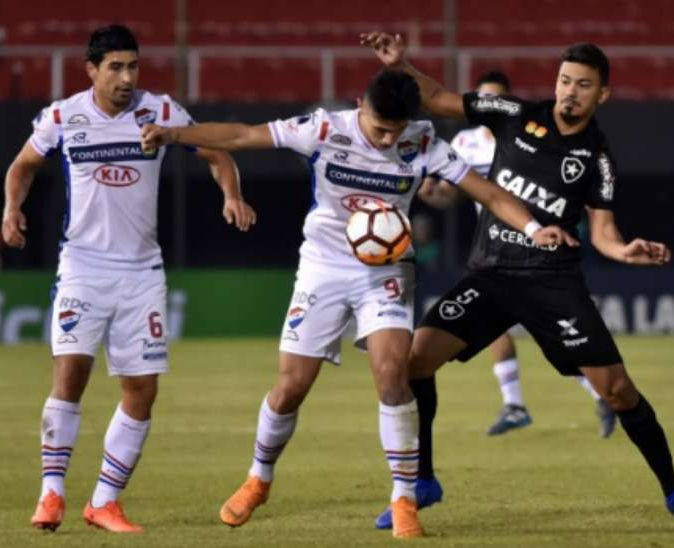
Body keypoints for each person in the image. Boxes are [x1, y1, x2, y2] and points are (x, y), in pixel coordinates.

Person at [141, 69, 577, 539]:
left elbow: (487, 192)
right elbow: (244, 135)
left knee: (393, 374)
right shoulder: (325, 129)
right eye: (378, 127)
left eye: (394, 129)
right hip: (324, 266)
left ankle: (405, 497)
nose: (386, 137)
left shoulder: (422, 141)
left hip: (386, 271)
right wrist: (174, 134)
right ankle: (258, 479)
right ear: (358, 105)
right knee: (290, 387)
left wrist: (534, 229)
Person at [362, 33, 674, 528]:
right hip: (490, 276)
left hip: (552, 284)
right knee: (413, 362)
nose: (569, 92)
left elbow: (603, 232)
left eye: (582, 85)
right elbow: (438, 98)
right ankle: (422, 480)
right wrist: (401, 64)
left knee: (618, 392)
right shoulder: (512, 112)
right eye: (564, 80)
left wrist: (625, 250)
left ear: (603, 95)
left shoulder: (596, 159)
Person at [2, 25, 255, 533]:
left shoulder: (160, 112)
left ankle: (104, 502)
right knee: (70, 374)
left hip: (142, 273)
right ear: (91, 70)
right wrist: (11, 208)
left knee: (141, 390)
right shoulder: (63, 116)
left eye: (133, 66)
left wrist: (230, 193)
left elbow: (216, 153)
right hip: (82, 268)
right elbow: (23, 165)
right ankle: (51, 495)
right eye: (115, 67)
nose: (126, 77)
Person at [418, 70, 617, 439]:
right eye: (482, 100)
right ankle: (515, 405)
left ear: (507, 102)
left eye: (495, 99)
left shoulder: (530, 135)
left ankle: (601, 393)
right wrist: (432, 195)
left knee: (560, 340)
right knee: (494, 330)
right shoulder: (465, 141)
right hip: (495, 252)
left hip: (540, 254)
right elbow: (451, 195)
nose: (487, 107)